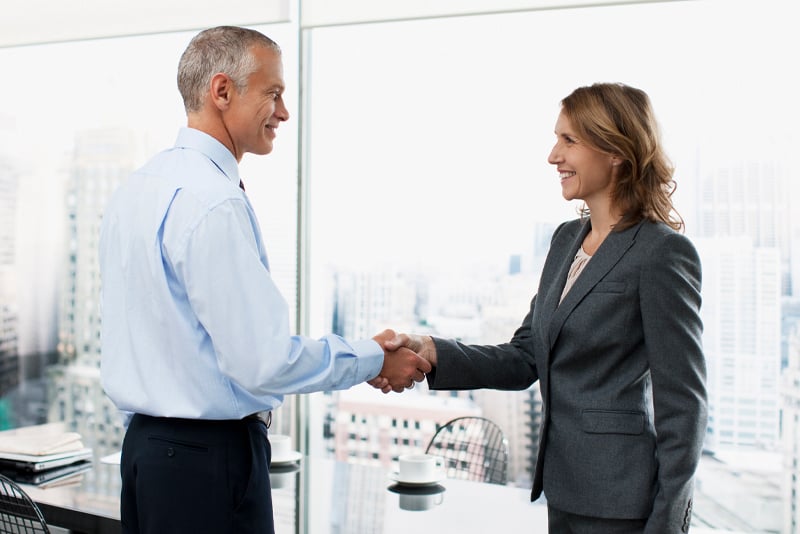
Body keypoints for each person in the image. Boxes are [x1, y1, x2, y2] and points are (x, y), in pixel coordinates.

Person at [99, 26, 430, 534]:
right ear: (223, 91)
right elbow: (262, 361)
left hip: (145, 456)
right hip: (208, 464)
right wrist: (371, 357)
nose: (284, 111)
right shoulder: (214, 201)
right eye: (273, 93)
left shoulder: (136, 189)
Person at [382, 83, 707, 533]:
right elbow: (525, 357)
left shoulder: (661, 253)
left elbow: (684, 406)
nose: (554, 156)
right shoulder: (564, 241)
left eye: (569, 140)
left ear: (615, 150)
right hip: (563, 489)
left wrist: (668, 524)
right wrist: (432, 350)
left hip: (622, 502)